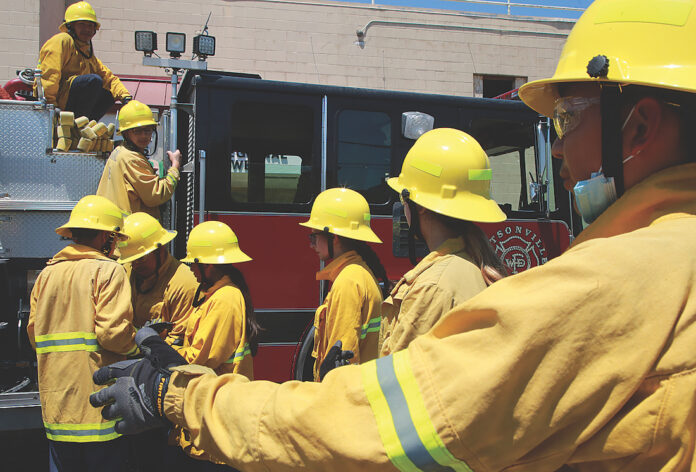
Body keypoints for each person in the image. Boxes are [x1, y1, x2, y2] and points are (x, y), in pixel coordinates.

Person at [90, 0, 696, 468]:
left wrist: (185, 398)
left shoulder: (606, 285)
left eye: (565, 118)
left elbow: (389, 421)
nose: (559, 147)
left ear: (637, 127)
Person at [27, 195, 137, 472]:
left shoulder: (46, 275)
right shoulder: (109, 271)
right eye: (114, 237)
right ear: (104, 237)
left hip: (57, 410)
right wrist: (139, 348)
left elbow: (33, 333)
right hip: (98, 409)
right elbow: (113, 334)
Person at [380, 127, 507, 356]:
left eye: (403, 197)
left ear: (418, 205)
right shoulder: (474, 263)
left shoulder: (432, 288)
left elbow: (396, 381)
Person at [169, 220, 261, 469]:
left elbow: (199, 359)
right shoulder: (216, 294)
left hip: (217, 418)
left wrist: (163, 352)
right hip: (213, 414)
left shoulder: (225, 299)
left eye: (196, 264)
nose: (194, 270)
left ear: (208, 264)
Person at [300, 187, 388, 380]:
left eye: (314, 236)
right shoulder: (359, 273)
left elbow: (342, 359)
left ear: (335, 238)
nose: (311, 244)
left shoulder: (348, 281)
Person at [36, 2, 132, 121]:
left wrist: (126, 97)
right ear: (71, 26)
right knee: (93, 81)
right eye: (82, 24)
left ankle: (85, 124)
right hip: (58, 103)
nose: (87, 29)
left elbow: (108, 77)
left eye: (91, 26)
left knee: (109, 92)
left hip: (70, 103)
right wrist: (51, 107)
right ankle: (76, 124)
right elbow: (50, 74)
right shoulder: (62, 41)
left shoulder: (86, 52)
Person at [118, 212, 198, 346]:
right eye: (132, 260)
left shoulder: (184, 283)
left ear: (160, 250)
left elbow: (178, 339)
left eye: (140, 259)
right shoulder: (126, 271)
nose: (135, 265)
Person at [97, 99, 181, 219]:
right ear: (126, 134)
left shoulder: (120, 151)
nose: (144, 136)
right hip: (131, 229)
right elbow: (156, 195)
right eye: (137, 131)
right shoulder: (132, 159)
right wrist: (175, 166)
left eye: (147, 130)